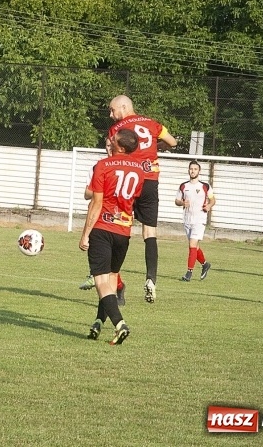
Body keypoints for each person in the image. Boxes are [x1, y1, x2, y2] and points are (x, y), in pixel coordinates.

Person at [107, 95, 178, 303]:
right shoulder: (153, 124)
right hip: (150, 181)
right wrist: (157, 147)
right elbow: (173, 142)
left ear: (123, 107)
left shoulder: (117, 129)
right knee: (150, 232)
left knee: (118, 228)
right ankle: (151, 278)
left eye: (112, 110)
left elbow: (112, 158)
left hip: (129, 180)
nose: (111, 115)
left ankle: (117, 284)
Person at [79, 129, 146, 345]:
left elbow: (96, 203)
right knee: (111, 278)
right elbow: (134, 199)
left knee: (100, 280)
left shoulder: (103, 165)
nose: (110, 139)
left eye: (114, 139)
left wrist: (85, 234)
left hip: (102, 228)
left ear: (120, 146)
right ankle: (99, 320)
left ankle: (119, 324)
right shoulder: (140, 170)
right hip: (124, 232)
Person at [79, 137, 127, 306]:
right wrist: (101, 190)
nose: (109, 148)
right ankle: (110, 297)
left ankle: (116, 289)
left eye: (111, 145)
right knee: (104, 264)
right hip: (99, 219)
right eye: (107, 145)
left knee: (110, 266)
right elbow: (87, 193)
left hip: (118, 220)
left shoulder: (126, 168)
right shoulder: (98, 167)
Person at [175, 161, 215, 282]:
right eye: (191, 169)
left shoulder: (205, 186)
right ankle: (205, 264)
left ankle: (189, 273)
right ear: (188, 170)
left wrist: (209, 206)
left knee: (192, 245)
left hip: (199, 219)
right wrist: (182, 203)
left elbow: (213, 200)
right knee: (195, 247)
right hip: (188, 219)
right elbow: (177, 201)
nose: (193, 171)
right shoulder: (183, 186)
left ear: (199, 171)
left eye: (195, 169)